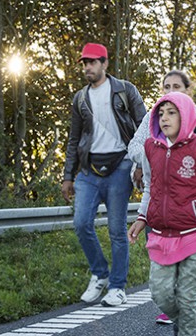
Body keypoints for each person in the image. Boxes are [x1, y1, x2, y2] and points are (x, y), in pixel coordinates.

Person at [127, 92, 196, 336]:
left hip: (194, 235)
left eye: (171, 113)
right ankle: (183, 320)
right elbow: (149, 189)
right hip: (161, 236)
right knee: (159, 292)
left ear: (185, 116)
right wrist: (142, 218)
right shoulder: (150, 150)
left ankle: (185, 327)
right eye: (161, 114)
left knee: (186, 295)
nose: (164, 118)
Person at [61, 43, 146, 306]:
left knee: (116, 230)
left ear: (105, 64)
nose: (87, 67)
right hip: (88, 169)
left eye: (92, 62)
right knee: (81, 223)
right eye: (84, 63)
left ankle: (117, 287)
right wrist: (68, 175)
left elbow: (144, 126)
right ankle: (100, 274)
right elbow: (74, 138)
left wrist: (141, 163)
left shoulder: (124, 90)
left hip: (120, 165)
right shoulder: (80, 98)